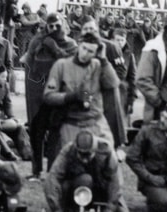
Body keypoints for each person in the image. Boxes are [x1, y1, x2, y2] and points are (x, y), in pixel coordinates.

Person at [41, 31, 126, 161]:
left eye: (91, 51)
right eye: (84, 48)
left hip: (96, 122)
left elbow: (113, 83)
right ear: (79, 45)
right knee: (73, 165)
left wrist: (103, 59)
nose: (85, 54)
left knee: (109, 161)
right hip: (71, 123)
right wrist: (71, 97)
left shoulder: (98, 65)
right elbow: (48, 96)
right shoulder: (62, 65)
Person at [44, 130, 134, 212]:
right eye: (81, 155)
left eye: (88, 155)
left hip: (101, 191)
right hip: (77, 194)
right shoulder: (68, 150)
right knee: (85, 179)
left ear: (95, 150)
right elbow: (52, 179)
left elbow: (114, 184)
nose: (84, 160)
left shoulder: (107, 151)